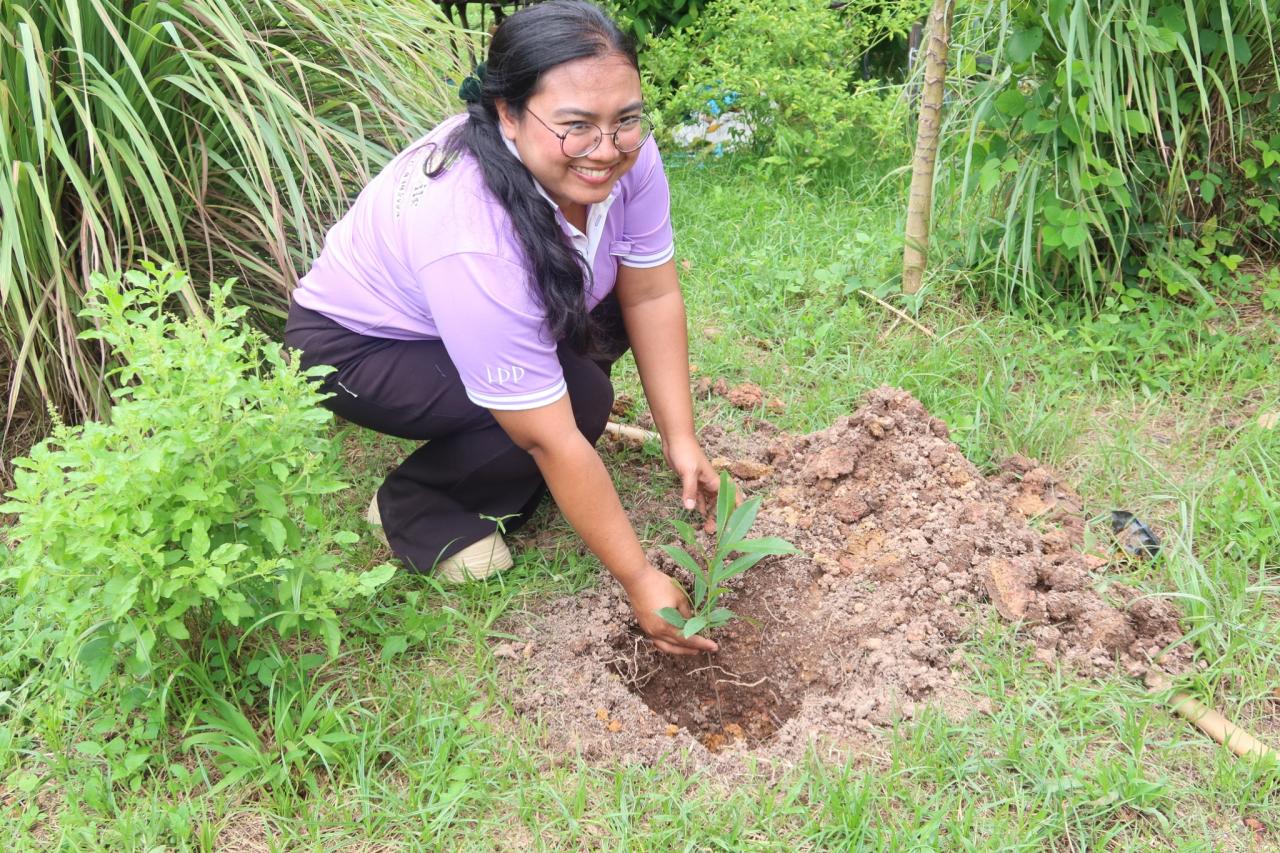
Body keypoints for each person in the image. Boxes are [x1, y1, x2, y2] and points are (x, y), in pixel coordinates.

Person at [284, 0, 720, 656]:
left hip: (464, 313)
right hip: (357, 346)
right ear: (508, 114)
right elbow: (548, 438)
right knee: (573, 408)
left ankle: (507, 428)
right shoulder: (469, 228)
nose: (607, 149)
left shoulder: (627, 152)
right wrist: (638, 577)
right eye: (576, 126)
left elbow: (651, 292)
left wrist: (681, 440)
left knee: (581, 380)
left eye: (625, 119)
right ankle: (414, 507)